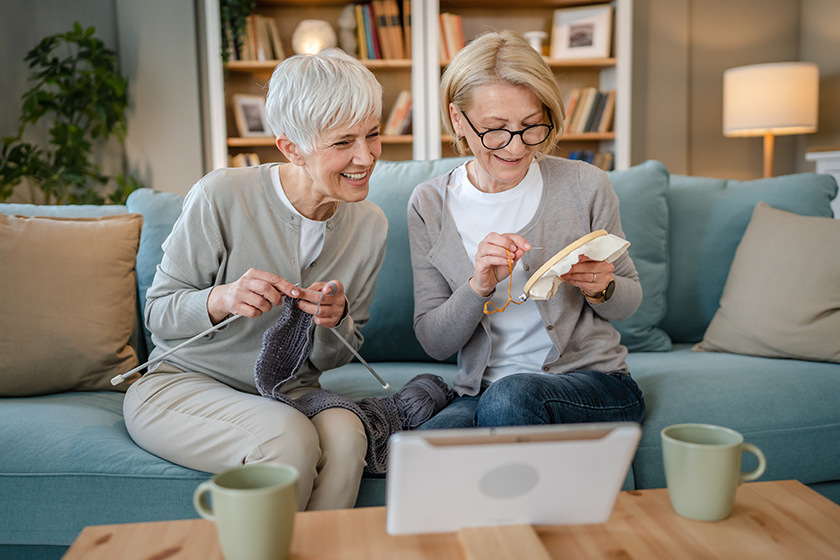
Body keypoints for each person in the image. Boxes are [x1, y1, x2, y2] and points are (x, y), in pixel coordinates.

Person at [123, 49, 388, 511]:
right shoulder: (222, 195)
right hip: (184, 383)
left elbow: (336, 356)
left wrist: (334, 320)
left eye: (373, 134)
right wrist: (221, 298)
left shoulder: (370, 224)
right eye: (343, 142)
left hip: (289, 390)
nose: (365, 156)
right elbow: (158, 317)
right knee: (288, 439)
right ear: (291, 148)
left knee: (347, 436)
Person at [407, 30, 645, 430]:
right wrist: (477, 286)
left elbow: (631, 301)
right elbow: (434, 342)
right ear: (457, 120)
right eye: (495, 128)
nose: (516, 148)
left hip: (593, 384)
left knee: (512, 397)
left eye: (532, 126)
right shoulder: (430, 203)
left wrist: (602, 288)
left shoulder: (585, 185)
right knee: (426, 446)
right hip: (482, 391)